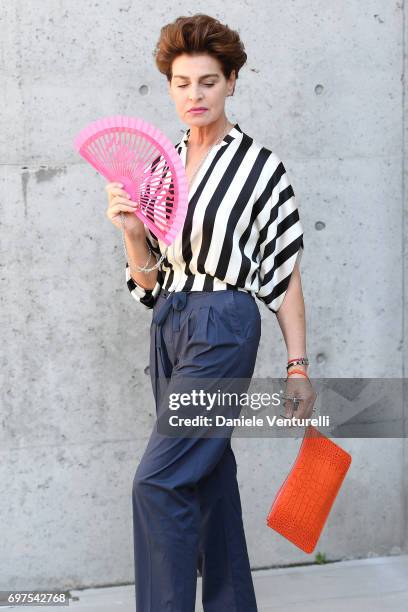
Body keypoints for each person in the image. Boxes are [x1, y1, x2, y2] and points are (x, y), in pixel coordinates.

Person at [106, 13, 316, 612]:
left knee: (159, 481)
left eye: (207, 81)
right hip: (170, 320)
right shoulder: (160, 165)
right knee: (209, 478)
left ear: (231, 83)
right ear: (168, 86)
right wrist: (130, 233)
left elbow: (284, 272)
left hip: (224, 323)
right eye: (181, 82)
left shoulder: (259, 166)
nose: (193, 95)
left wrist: (298, 364)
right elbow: (149, 284)